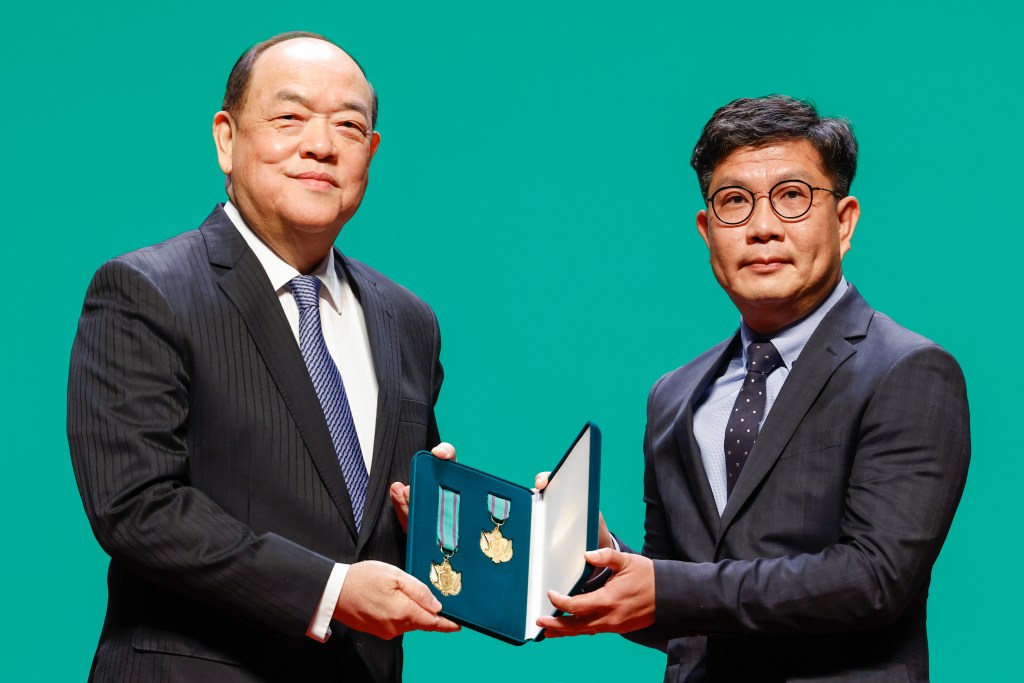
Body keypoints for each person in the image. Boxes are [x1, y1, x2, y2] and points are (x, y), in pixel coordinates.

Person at [67, 31, 459, 683]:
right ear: (226, 138)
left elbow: (369, 527)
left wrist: (432, 519)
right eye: (290, 117)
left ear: (370, 153)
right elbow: (135, 506)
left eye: (348, 126)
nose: (321, 145)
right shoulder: (146, 290)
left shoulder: (408, 320)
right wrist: (330, 590)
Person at [537, 95, 971, 681]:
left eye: (792, 197)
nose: (763, 228)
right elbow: (681, 610)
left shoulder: (908, 370)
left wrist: (666, 587)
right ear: (706, 230)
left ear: (844, 222)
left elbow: (875, 579)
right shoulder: (673, 396)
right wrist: (603, 567)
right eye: (735, 202)